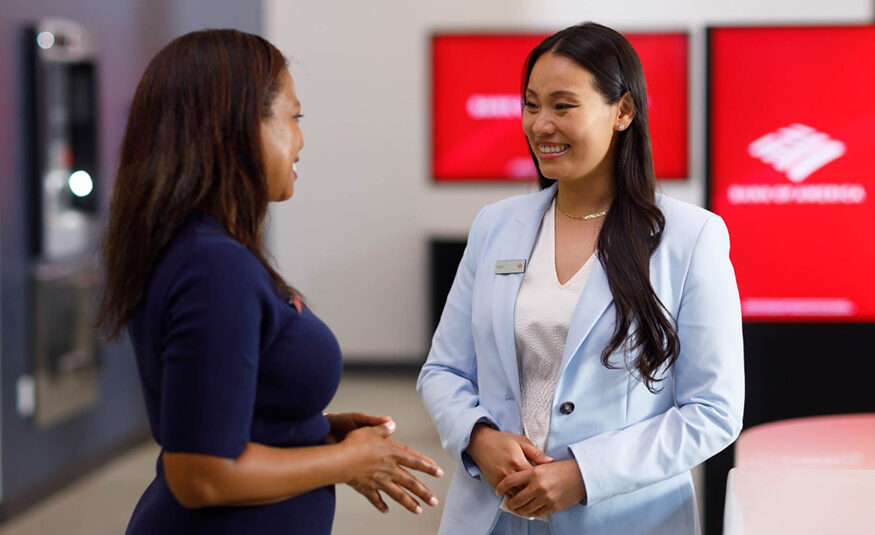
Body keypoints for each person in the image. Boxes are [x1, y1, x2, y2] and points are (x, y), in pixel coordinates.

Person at [96, 29, 442, 535]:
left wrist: (312, 432)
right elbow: (201, 474)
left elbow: (220, 416)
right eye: (293, 118)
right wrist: (348, 461)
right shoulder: (213, 266)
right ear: (237, 127)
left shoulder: (202, 249)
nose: (301, 139)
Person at [418, 22, 744, 535]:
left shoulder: (690, 237)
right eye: (531, 105)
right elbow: (444, 370)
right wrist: (479, 438)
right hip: (494, 514)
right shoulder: (495, 226)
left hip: (625, 517)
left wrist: (585, 475)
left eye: (563, 106)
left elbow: (713, 411)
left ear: (623, 111)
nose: (541, 125)